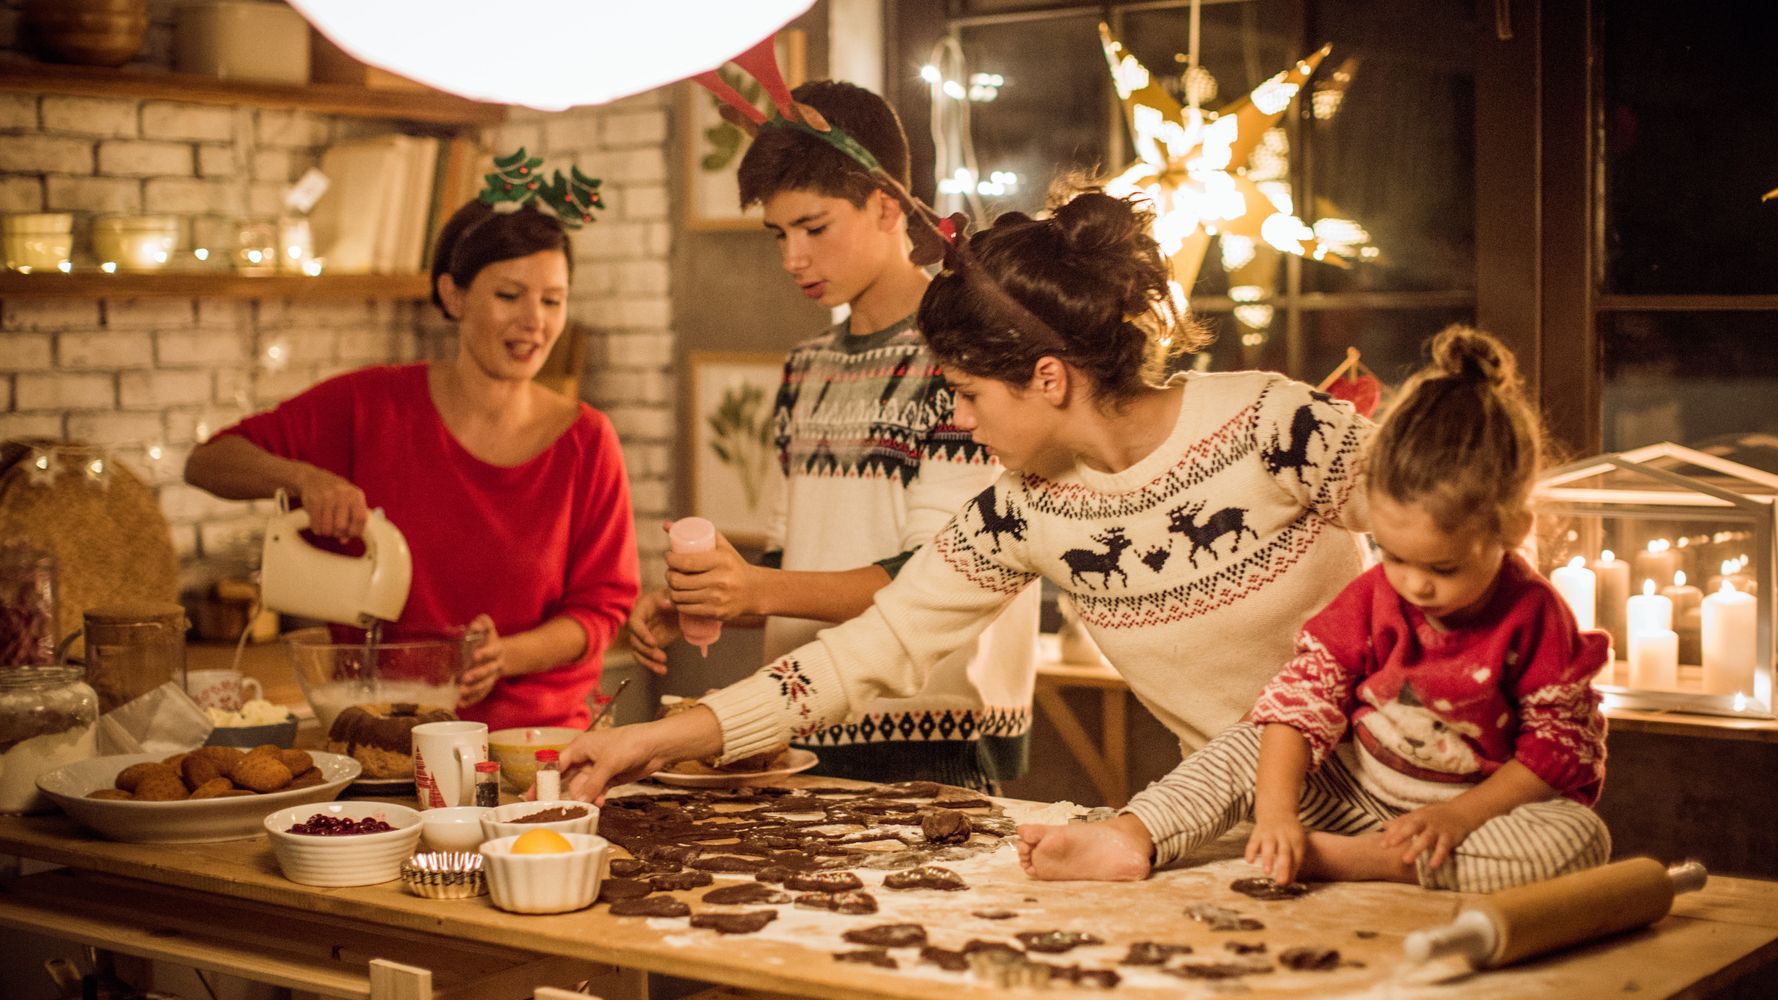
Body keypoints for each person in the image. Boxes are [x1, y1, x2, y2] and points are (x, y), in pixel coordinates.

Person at [561, 190, 1374, 803]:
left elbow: (1469, 531)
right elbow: (867, 652)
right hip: (1238, 825)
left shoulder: (1275, 422)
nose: (956, 416)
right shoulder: (1022, 509)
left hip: (1438, 808)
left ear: (1048, 379)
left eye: (969, 393)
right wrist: (655, 740)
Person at [1017, 326, 1612, 894]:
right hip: (1349, 794)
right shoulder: (1375, 597)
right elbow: (1301, 705)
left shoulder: (1536, 618)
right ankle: (1132, 835)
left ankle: (1351, 862)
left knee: (1576, 840)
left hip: (1474, 818)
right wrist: (1277, 816)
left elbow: (1558, 750)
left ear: (1511, 528)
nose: (1414, 585)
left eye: (1443, 568)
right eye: (1395, 556)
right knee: (1248, 741)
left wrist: (1457, 818)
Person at [627, 80, 1041, 791]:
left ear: (887, 206)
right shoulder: (808, 364)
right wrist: (719, 598)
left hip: (933, 734)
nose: (793, 257)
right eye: (779, 234)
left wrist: (755, 590)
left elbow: (937, 576)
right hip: (799, 720)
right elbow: (793, 563)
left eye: (814, 229)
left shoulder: (964, 360)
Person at [184, 198, 640, 730]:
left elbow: (602, 611)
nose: (534, 322)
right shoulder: (370, 406)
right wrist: (305, 479)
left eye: (553, 301)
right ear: (453, 295)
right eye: (509, 295)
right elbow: (208, 462)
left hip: (536, 747)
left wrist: (506, 655)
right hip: (381, 735)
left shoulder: (587, 441)